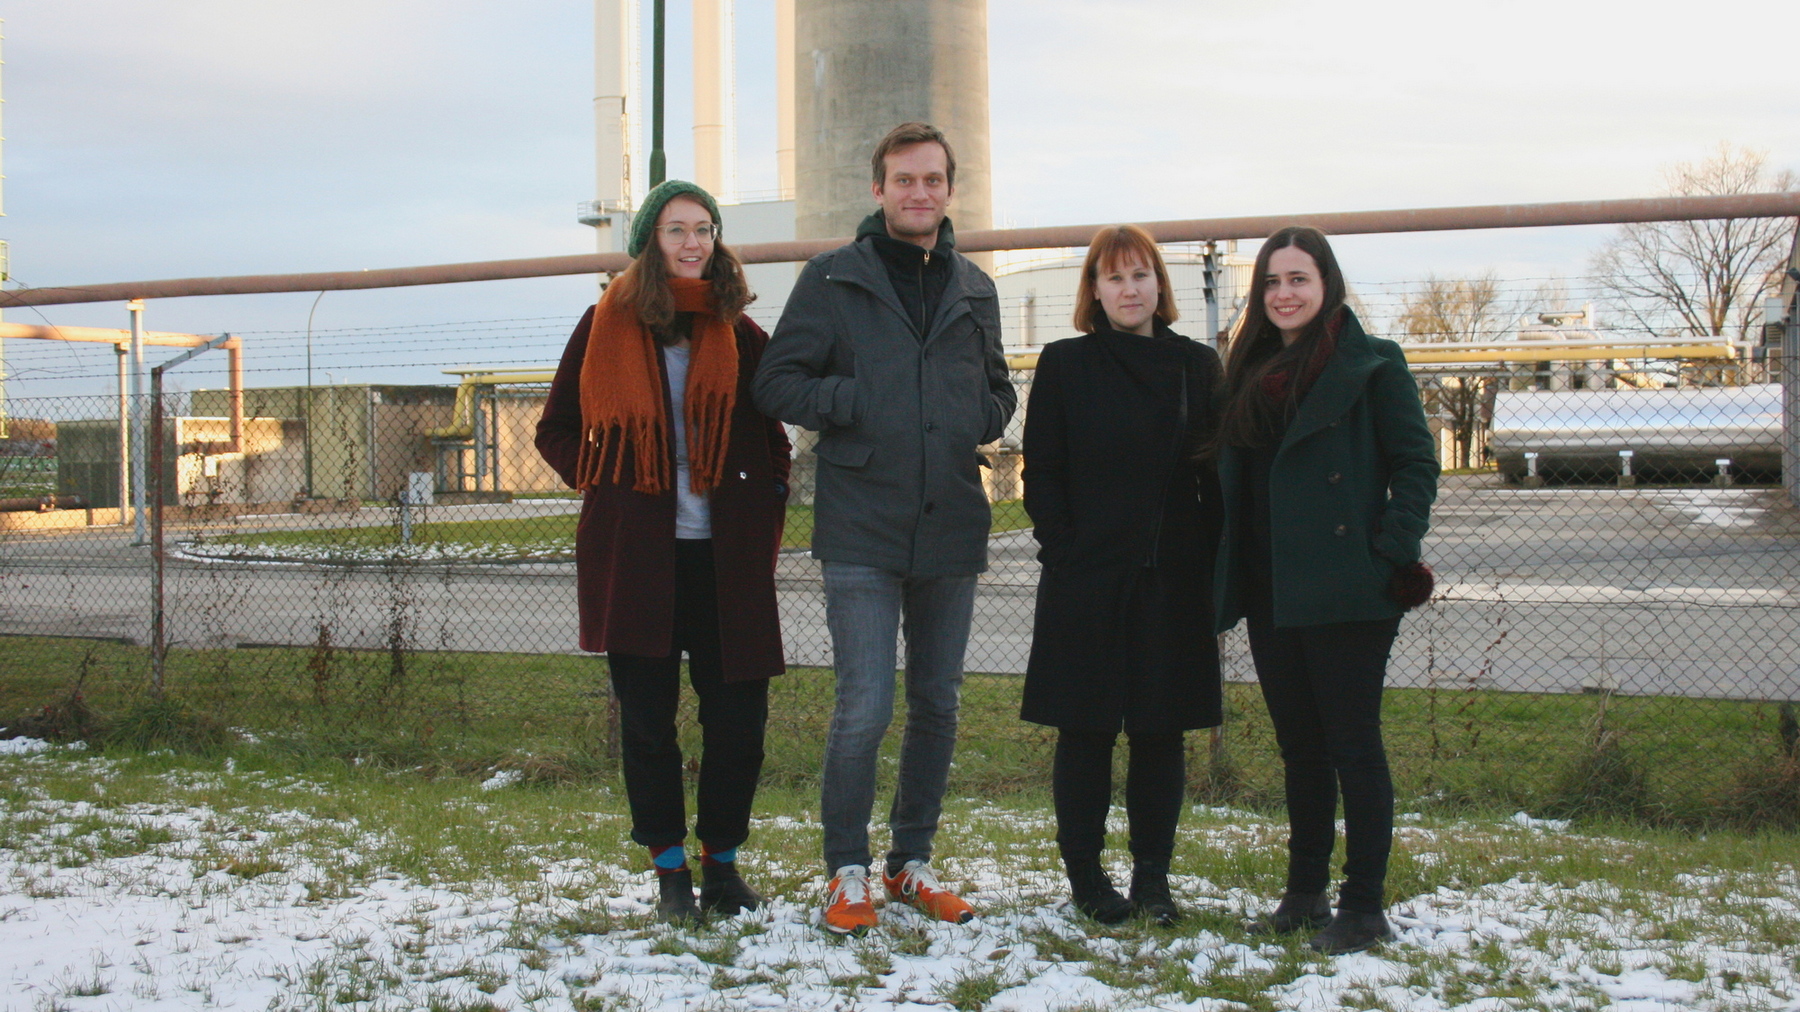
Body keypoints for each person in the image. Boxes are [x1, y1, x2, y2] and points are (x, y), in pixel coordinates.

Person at [754, 122, 1015, 935]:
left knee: (938, 703)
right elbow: (778, 382)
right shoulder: (834, 278)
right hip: (862, 524)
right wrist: (858, 402)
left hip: (950, 522)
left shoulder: (974, 285)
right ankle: (846, 872)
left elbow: (1001, 390)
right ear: (879, 190)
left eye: (932, 180)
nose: (919, 193)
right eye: (903, 180)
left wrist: (978, 413)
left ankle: (911, 863)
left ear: (948, 189)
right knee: (864, 706)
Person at [535, 179, 792, 924]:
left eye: (705, 229)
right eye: (677, 229)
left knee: (739, 723)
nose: (693, 242)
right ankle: (670, 872)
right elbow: (557, 428)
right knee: (648, 725)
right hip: (637, 559)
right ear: (651, 242)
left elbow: (775, 437)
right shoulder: (603, 324)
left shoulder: (739, 333)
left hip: (727, 561)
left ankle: (724, 867)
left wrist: (767, 501)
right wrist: (608, 482)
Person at [1211, 225, 1438, 954]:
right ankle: (1304, 895)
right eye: (1272, 282)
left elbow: (1416, 465)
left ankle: (1364, 906)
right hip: (1272, 588)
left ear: (1326, 285)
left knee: (1352, 746)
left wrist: (1388, 554)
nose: (1284, 294)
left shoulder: (1372, 365)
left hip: (1348, 591)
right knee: (1300, 749)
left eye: (1298, 280)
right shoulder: (1247, 368)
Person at [1020, 225, 1224, 926]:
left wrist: (1211, 569)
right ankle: (1086, 877)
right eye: (1114, 278)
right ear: (1094, 292)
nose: (1129, 289)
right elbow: (1041, 471)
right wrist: (1066, 549)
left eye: (1141, 275)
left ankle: (1154, 879)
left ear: (1160, 287)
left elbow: (1214, 481)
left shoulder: (1198, 368)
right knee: (1085, 732)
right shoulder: (1066, 364)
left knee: (1161, 732)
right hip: (1086, 578)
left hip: (1172, 579)